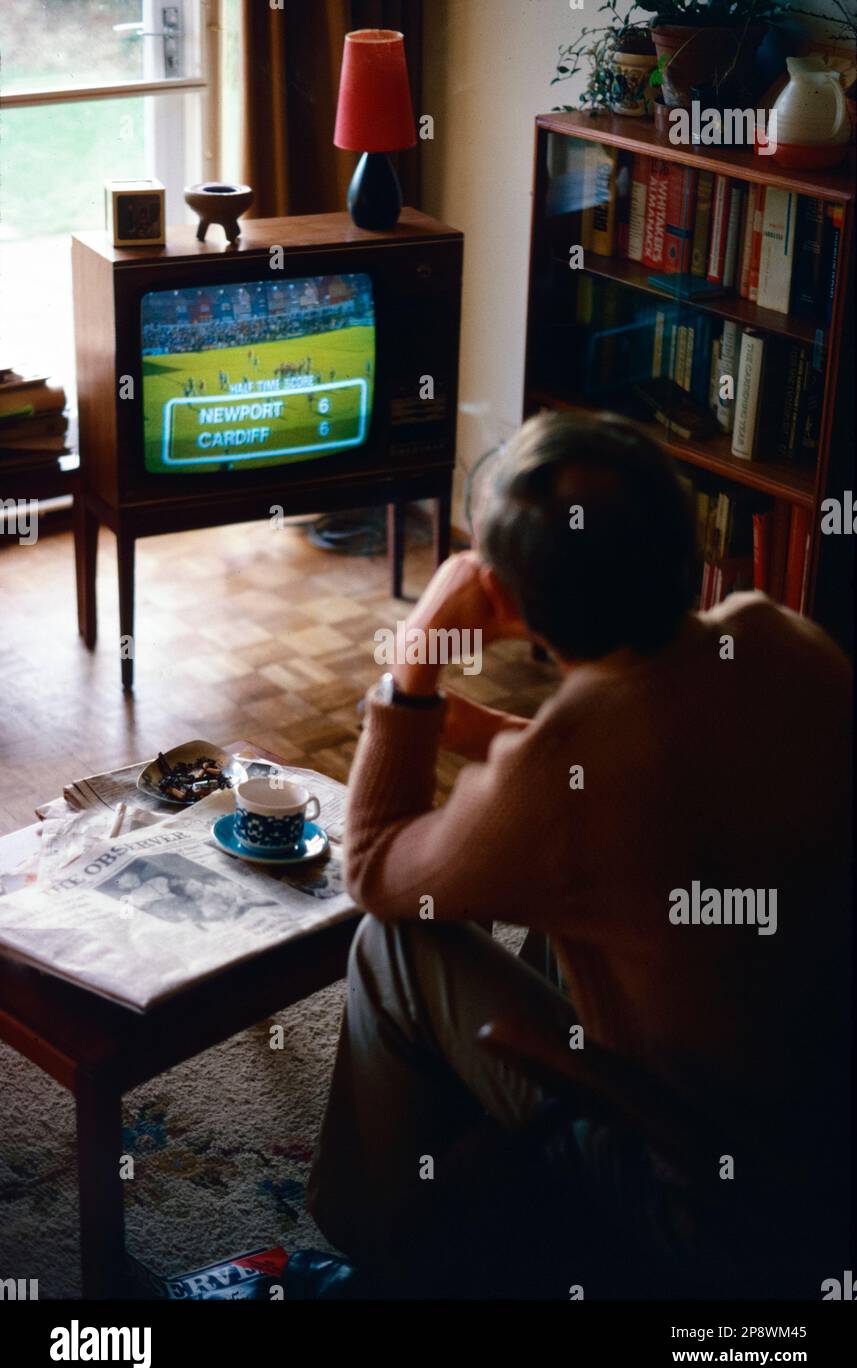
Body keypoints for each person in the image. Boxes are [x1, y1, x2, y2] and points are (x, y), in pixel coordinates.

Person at [303, 411, 852, 1299]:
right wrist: (488, 734)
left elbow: (371, 867)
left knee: (393, 947)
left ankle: (378, 1247)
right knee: (556, 925)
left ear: (506, 605)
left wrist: (413, 667)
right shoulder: (775, 636)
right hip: (822, 1143)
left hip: (701, 1205)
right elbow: (651, 773)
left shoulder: (557, 771)